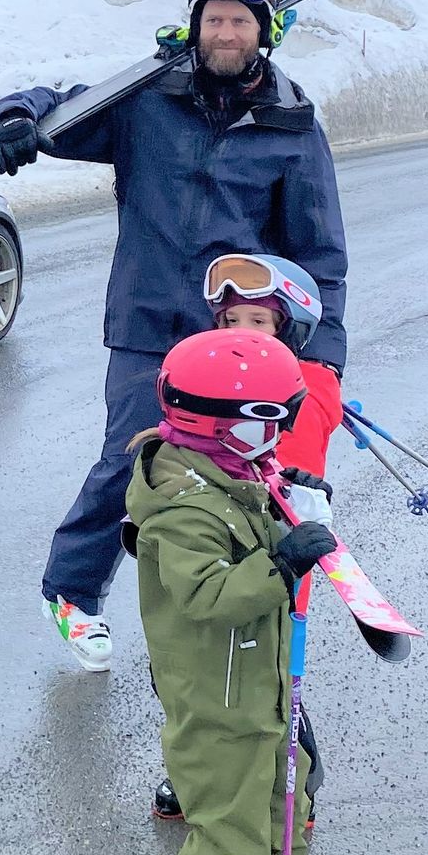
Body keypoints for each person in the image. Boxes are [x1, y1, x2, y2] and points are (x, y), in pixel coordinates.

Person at [0, 0, 350, 673]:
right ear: (195, 25)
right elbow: (58, 112)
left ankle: (226, 605)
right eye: (213, 20)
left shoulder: (291, 124)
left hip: (239, 336)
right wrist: (17, 118)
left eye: (239, 22)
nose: (225, 33)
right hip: (148, 318)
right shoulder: (144, 100)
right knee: (134, 455)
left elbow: (319, 249)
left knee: (240, 473)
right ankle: (71, 592)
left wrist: (321, 353)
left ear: (262, 31)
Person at [127, 330, 341, 855]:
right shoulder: (184, 506)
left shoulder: (237, 472)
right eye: (273, 418)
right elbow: (210, 596)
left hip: (263, 684)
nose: (283, 433)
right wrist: (285, 562)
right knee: (227, 819)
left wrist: (290, 511)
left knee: (287, 796)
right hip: (217, 699)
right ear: (223, 423)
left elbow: (252, 530)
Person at [154, 252, 334, 823]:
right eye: (230, 322)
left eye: (259, 323)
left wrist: (284, 556)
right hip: (208, 561)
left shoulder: (302, 391)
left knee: (265, 685)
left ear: (290, 331)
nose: (242, 336)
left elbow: (282, 479)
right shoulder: (215, 380)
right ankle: (200, 774)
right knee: (190, 681)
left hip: (268, 567)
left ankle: (292, 785)